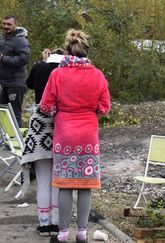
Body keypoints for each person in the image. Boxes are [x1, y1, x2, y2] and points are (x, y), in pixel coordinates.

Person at [39, 29, 111, 243]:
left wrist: (58, 112)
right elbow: (104, 108)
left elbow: (45, 105)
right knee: (85, 185)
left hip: (64, 135)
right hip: (88, 136)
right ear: (86, 51)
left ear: (68, 50)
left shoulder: (57, 74)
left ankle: (62, 235)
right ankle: (82, 234)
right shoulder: (97, 75)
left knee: (65, 183)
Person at [20, 48, 65, 236]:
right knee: (57, 181)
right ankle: (56, 224)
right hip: (61, 126)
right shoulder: (66, 71)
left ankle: (44, 224)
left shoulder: (40, 68)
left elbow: (29, 84)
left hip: (39, 127)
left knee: (43, 180)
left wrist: (43, 62)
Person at [0, 14, 30, 127]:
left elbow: (24, 59)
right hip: (4, 83)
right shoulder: (4, 39)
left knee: (14, 113)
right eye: (4, 24)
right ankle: (8, 141)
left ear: (15, 25)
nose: (6, 26)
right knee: (4, 112)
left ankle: (17, 142)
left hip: (16, 83)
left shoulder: (20, 40)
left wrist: (3, 58)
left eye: (9, 24)